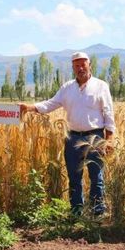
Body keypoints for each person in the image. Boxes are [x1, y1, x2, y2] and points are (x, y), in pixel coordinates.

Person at [19, 52, 116, 217]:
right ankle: (76, 213)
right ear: (73, 67)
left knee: (97, 177)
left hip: (96, 137)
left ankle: (97, 214)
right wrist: (29, 107)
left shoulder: (101, 86)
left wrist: (109, 140)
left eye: (83, 65)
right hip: (72, 138)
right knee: (74, 178)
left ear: (89, 65)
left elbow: (109, 114)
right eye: (76, 65)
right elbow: (51, 103)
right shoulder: (67, 88)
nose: (80, 68)